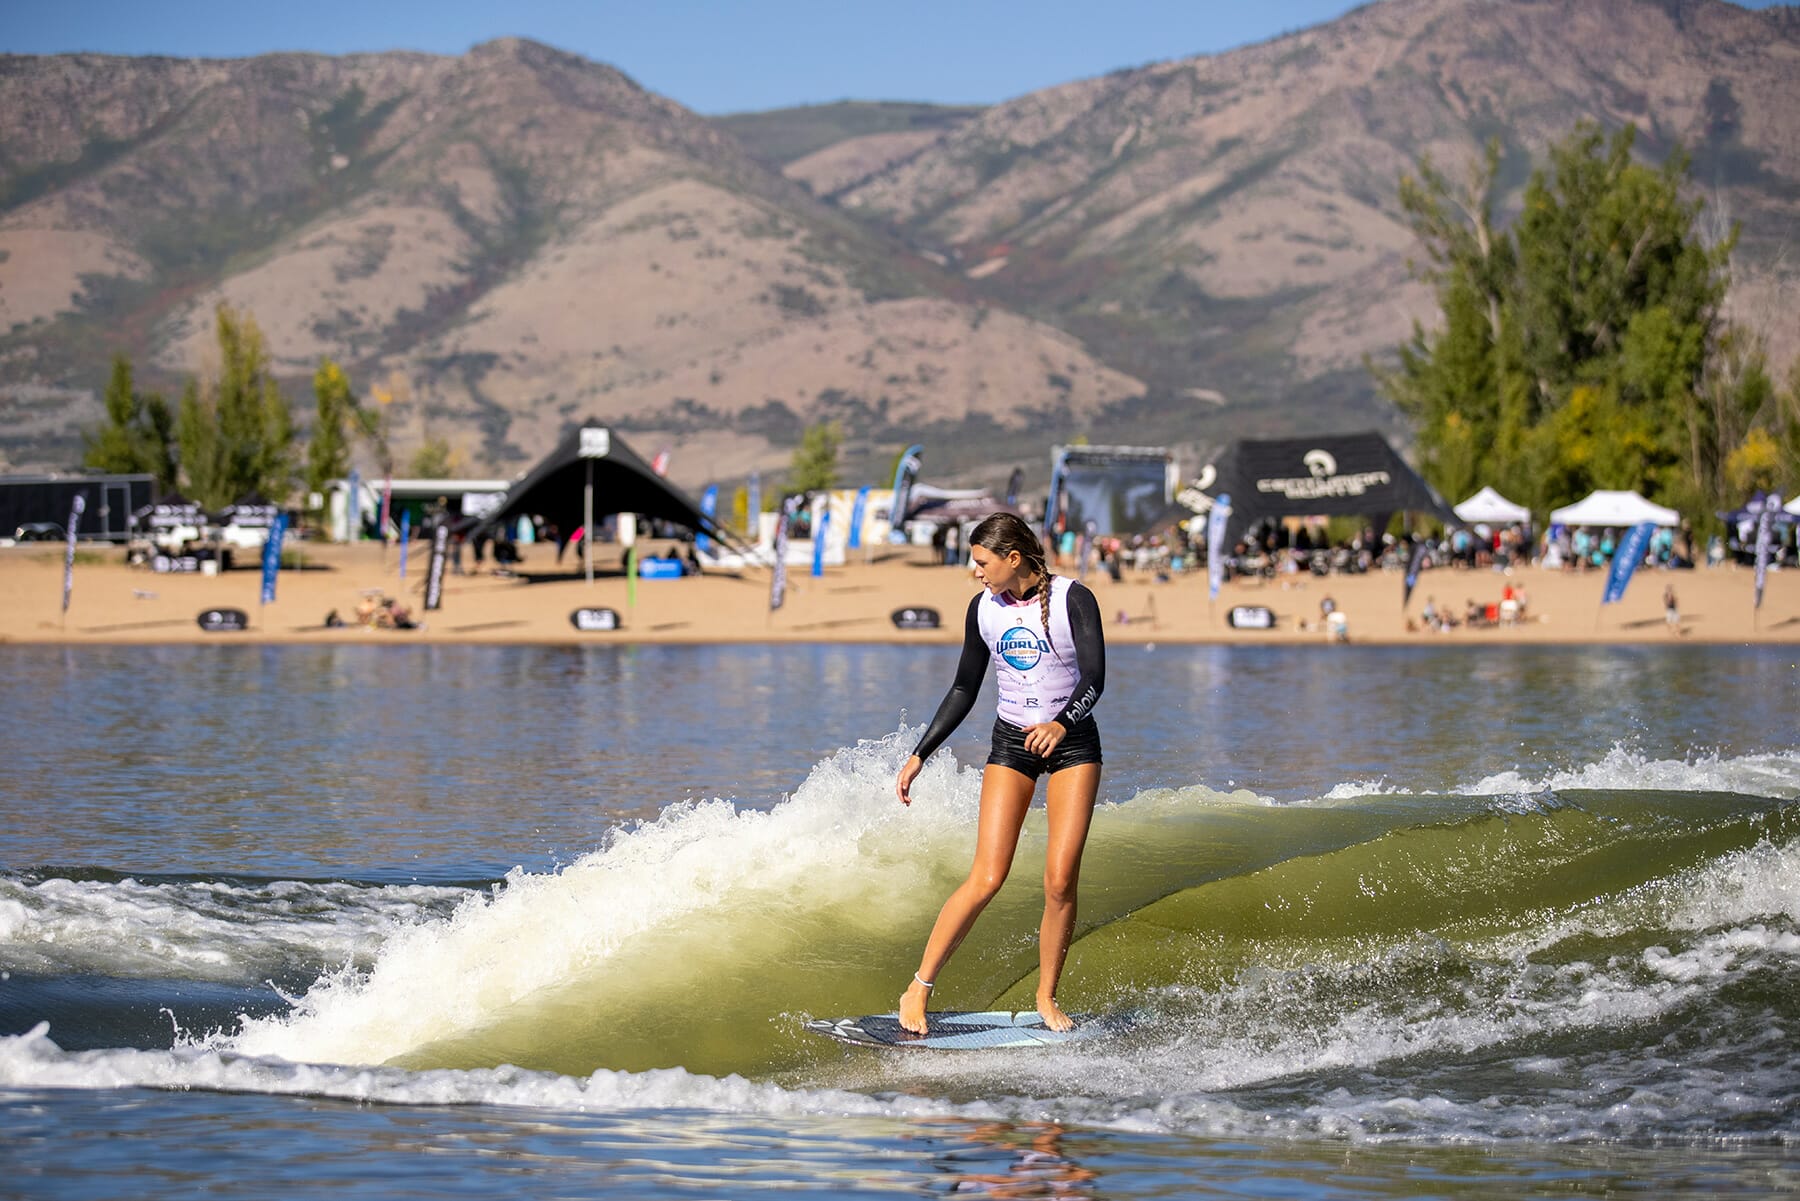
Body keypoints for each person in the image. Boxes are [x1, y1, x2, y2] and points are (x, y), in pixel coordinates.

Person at [893, 512, 1106, 1035]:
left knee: (1059, 880)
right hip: (1012, 742)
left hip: (1072, 743)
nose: (975, 571)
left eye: (982, 561)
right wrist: (923, 752)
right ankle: (916, 988)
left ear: (1013, 559)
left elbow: (1096, 678)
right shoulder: (983, 610)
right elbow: (965, 687)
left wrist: (1060, 723)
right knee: (987, 877)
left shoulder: (1074, 599)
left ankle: (1046, 996)